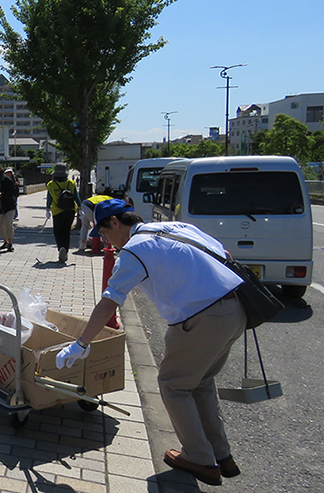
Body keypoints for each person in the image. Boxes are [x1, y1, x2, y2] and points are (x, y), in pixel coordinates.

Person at [56, 199, 246, 486]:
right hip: (236, 310)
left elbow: (110, 302)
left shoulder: (133, 250)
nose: (106, 240)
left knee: (174, 386)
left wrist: (81, 344)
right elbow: (225, 254)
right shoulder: (176, 226)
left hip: (201, 318)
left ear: (116, 223)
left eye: (105, 233)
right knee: (201, 382)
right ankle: (221, 456)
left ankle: (200, 459)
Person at [46, 163, 80, 262]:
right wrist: (80, 206)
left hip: (57, 211)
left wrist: (48, 209)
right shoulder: (71, 183)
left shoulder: (51, 184)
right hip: (70, 210)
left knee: (58, 231)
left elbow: (49, 198)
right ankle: (65, 250)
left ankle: (61, 247)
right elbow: (76, 196)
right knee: (66, 231)